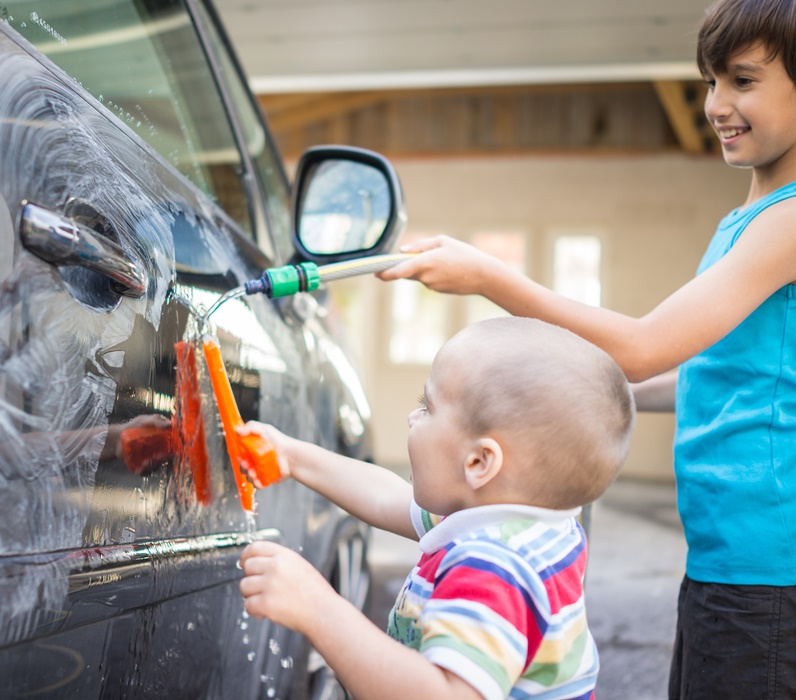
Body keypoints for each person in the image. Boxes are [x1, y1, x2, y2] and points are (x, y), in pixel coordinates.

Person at [377, 0, 796, 696]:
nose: (717, 104)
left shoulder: (788, 224)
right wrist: (574, 400)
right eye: (710, 81)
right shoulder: (751, 219)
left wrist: (489, 277)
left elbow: (642, 347)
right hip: (728, 551)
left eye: (743, 81)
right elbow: (710, 371)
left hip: (766, 562)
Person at [238, 317, 635, 700]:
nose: (413, 418)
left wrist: (316, 606)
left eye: (427, 407)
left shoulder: (492, 567)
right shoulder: (526, 520)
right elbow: (385, 497)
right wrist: (292, 456)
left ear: (479, 462)